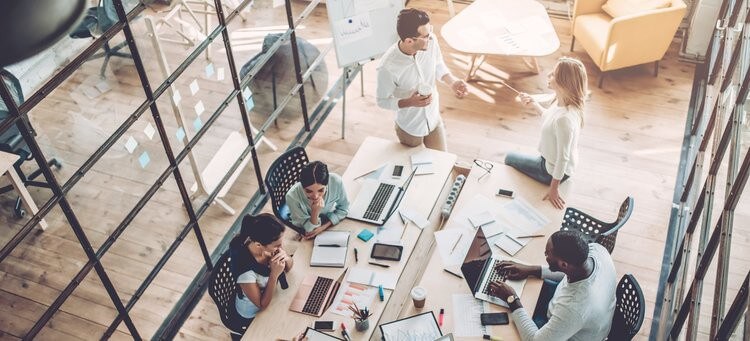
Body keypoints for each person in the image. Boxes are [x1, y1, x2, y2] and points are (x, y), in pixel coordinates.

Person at [488, 230, 616, 341]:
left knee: (506, 329)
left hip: (569, 333)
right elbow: (569, 272)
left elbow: (534, 340)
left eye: (547, 254)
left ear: (564, 264)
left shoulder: (575, 308)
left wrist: (512, 299)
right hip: (576, 314)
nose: (545, 256)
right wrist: (531, 270)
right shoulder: (596, 250)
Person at [376, 8, 468, 152]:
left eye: (429, 31)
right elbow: (382, 101)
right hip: (409, 128)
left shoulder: (431, 42)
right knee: (415, 169)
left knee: (442, 161)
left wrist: (452, 82)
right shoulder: (387, 67)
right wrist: (409, 102)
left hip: (433, 119)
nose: (430, 37)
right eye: (425, 36)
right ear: (409, 40)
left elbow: (438, 65)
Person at [504, 57, 588, 209]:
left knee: (509, 158)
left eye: (553, 74)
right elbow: (549, 119)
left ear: (564, 82)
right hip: (556, 162)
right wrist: (534, 103)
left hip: (549, 170)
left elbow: (563, 158)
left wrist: (554, 188)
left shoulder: (565, 120)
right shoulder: (563, 101)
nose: (548, 75)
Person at [229, 213, 293, 329]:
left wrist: (285, 257)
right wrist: (274, 274)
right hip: (253, 314)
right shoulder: (246, 272)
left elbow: (289, 267)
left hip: (273, 296)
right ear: (259, 244)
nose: (281, 247)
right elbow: (261, 304)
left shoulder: (269, 245)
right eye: (277, 245)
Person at [285, 161, 349, 240]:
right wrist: (315, 212)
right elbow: (309, 231)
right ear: (302, 186)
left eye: (321, 190)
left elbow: (344, 208)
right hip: (305, 222)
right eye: (308, 191)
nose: (315, 196)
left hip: (325, 221)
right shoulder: (292, 197)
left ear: (327, 184)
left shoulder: (336, 182)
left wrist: (323, 227)